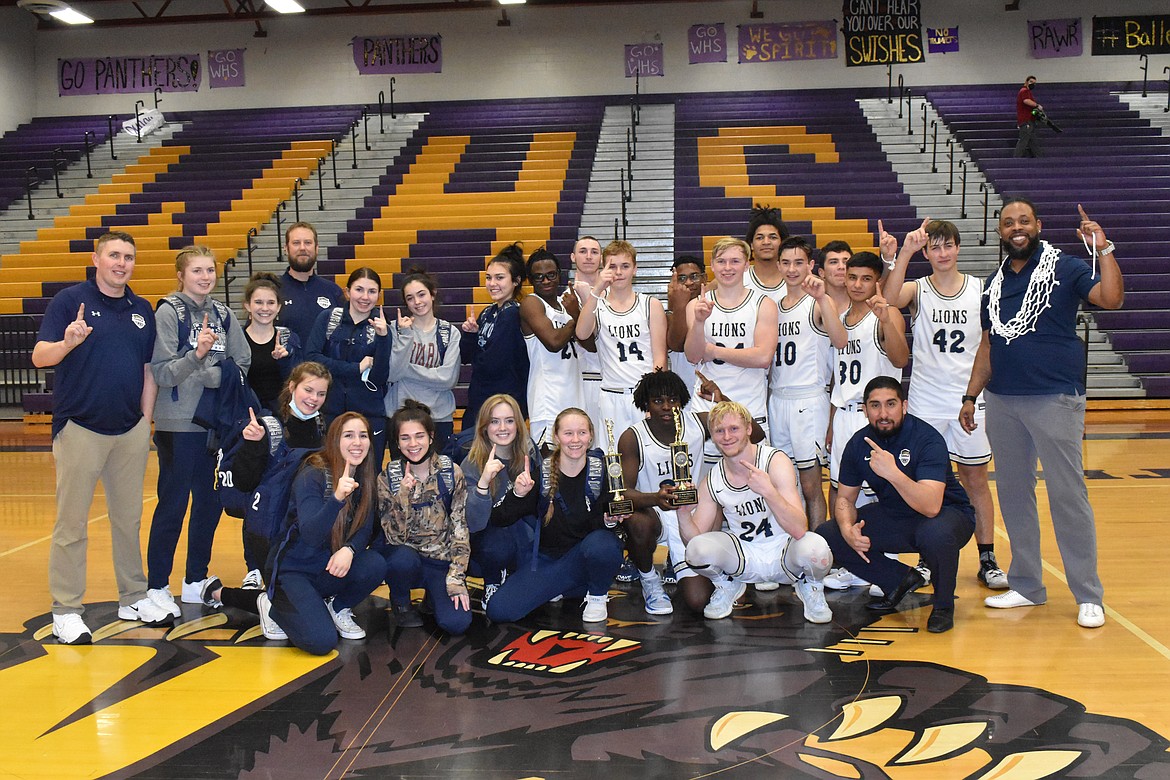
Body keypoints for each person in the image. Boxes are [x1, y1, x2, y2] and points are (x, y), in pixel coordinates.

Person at [962, 199, 1124, 629]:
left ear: (1039, 225)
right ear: (1000, 231)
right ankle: (1028, 585)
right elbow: (988, 345)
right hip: (1002, 400)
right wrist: (970, 395)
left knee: (1068, 496)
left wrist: (1103, 249)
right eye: (1008, 222)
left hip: (1053, 397)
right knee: (1015, 495)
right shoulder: (993, 283)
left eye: (1024, 221)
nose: (1017, 228)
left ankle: (1088, 594)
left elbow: (1111, 298)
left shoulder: (1066, 267)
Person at [33, 231, 172, 643]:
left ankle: (132, 596)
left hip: (128, 431)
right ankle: (66, 609)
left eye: (128, 256)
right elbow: (40, 357)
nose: (121, 263)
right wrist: (66, 342)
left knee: (128, 520)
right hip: (80, 428)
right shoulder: (69, 302)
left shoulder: (142, 309)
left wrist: (143, 423)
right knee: (71, 525)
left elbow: (148, 371)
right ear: (96, 259)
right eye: (114, 255)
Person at [881, 218, 1007, 589]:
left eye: (947, 245)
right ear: (926, 252)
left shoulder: (980, 289)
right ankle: (925, 558)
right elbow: (887, 301)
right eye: (933, 247)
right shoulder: (917, 289)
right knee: (926, 483)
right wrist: (904, 251)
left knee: (975, 479)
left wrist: (976, 391)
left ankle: (987, 558)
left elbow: (988, 344)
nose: (941, 253)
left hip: (968, 398)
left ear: (958, 247)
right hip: (925, 400)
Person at [205, 413, 385, 654]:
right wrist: (337, 499)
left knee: (375, 563)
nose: (357, 442)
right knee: (321, 641)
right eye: (349, 435)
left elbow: (365, 527)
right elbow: (311, 533)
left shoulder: (364, 475)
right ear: (334, 440)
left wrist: (349, 549)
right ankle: (269, 605)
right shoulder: (313, 473)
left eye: (363, 436)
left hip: (326, 569)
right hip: (293, 571)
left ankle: (336, 607)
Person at [819, 377, 976, 634]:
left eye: (890, 404)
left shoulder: (927, 438)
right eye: (875, 405)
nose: (883, 413)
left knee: (934, 533)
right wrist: (847, 528)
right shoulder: (859, 443)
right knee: (828, 534)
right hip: (897, 514)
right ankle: (898, 580)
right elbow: (845, 499)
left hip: (949, 515)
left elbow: (931, 506)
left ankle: (943, 605)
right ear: (864, 409)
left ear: (904, 406)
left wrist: (893, 472)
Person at [147, 245, 250, 617]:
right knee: (173, 505)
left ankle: (194, 580)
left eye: (210, 270)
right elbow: (162, 371)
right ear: (181, 274)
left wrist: (211, 373)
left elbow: (242, 361)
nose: (205, 277)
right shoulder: (168, 312)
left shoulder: (222, 313)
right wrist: (198, 356)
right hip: (179, 424)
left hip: (217, 425)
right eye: (197, 271)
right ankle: (157, 584)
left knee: (209, 504)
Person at [617, 369, 766, 615]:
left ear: (682, 401)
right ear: (646, 403)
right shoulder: (632, 437)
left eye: (673, 400)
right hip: (655, 514)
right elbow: (623, 493)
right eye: (658, 401)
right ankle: (649, 580)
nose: (667, 407)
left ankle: (707, 568)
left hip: (693, 516)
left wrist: (721, 399)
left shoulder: (698, 422)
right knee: (636, 522)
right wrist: (656, 498)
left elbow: (756, 434)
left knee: (698, 601)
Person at [677, 401, 834, 624]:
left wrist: (769, 492)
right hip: (745, 555)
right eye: (719, 431)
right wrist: (682, 514)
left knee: (817, 550)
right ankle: (727, 584)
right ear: (712, 435)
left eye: (734, 429)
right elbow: (694, 542)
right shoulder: (713, 478)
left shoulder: (774, 461)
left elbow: (800, 528)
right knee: (695, 551)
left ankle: (811, 586)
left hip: (784, 552)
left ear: (749, 429)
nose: (727, 436)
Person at [486, 408, 626, 625]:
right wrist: (518, 494)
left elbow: (610, 519)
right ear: (557, 437)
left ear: (590, 437)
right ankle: (568, 587)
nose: (575, 440)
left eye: (582, 433)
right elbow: (499, 518)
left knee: (603, 545)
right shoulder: (541, 474)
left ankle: (597, 596)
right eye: (568, 433)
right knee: (499, 610)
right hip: (550, 561)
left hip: (587, 555)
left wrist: (609, 521)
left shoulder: (604, 471)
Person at [218, 361, 331, 590]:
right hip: (268, 524)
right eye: (308, 390)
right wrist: (252, 445)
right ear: (292, 387)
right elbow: (244, 481)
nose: (313, 398)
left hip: (305, 522)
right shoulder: (269, 425)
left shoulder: (326, 428)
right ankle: (251, 573)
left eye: (321, 393)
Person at [768, 237, 847, 528]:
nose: (792, 269)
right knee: (785, 485)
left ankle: (818, 554)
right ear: (778, 265)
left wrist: (823, 299)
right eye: (786, 262)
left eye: (799, 262)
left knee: (811, 486)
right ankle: (793, 549)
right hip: (778, 399)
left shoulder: (817, 303)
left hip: (808, 399)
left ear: (811, 265)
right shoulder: (773, 306)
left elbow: (840, 340)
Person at [826, 250, 909, 520]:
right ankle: (844, 554)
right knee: (840, 490)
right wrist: (831, 422)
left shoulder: (887, 315)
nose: (857, 284)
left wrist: (886, 321)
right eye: (852, 278)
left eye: (865, 279)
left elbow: (900, 359)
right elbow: (837, 378)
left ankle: (886, 556)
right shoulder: (839, 319)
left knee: (879, 493)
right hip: (844, 415)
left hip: (874, 418)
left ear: (877, 283)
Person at [379, 401, 472, 635]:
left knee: (457, 623)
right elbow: (393, 537)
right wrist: (403, 497)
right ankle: (401, 602)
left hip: (440, 560)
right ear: (397, 443)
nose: (413, 444)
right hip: (406, 556)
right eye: (405, 438)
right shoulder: (387, 477)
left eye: (419, 436)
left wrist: (456, 577)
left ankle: (434, 595)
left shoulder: (451, 472)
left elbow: (460, 527)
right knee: (400, 560)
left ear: (431, 437)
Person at [685, 236, 779, 469]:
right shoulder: (696, 305)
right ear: (712, 265)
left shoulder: (763, 303)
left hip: (749, 408)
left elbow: (762, 357)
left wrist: (714, 350)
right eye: (722, 261)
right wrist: (698, 322)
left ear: (747, 265)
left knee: (753, 488)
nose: (728, 268)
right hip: (706, 410)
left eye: (735, 261)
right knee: (704, 488)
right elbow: (693, 356)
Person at [575, 240, 668, 436]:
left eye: (625, 266)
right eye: (612, 266)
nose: (618, 272)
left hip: (643, 395)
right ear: (603, 269)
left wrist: (655, 399)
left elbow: (660, 358)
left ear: (635, 269)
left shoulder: (650, 305)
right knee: (613, 460)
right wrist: (597, 289)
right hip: (611, 395)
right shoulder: (597, 305)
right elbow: (582, 333)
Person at [460, 394, 540, 611]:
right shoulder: (472, 462)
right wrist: (484, 484)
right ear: (485, 427)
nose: (502, 427)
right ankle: (492, 580)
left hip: (521, 534)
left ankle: (517, 574)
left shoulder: (529, 453)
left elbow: (538, 506)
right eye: (495, 421)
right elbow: (473, 524)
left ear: (519, 425)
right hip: (487, 542)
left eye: (509, 420)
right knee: (497, 543)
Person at [306, 267, 392, 468]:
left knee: (368, 476)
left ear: (379, 295)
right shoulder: (328, 319)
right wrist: (355, 368)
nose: (365, 297)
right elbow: (311, 359)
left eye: (372, 291)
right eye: (359, 290)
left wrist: (383, 339)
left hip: (370, 416)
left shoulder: (383, 327)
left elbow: (379, 377)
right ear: (347, 291)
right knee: (329, 472)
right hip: (330, 413)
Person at [385, 269, 460, 454]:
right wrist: (406, 337)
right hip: (400, 416)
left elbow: (448, 379)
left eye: (421, 294)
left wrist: (406, 369)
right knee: (404, 477)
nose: (417, 302)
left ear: (432, 294)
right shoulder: (395, 330)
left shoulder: (449, 332)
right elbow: (391, 373)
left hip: (438, 417)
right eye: (410, 298)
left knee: (440, 475)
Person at [461, 243, 530, 424]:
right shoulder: (488, 312)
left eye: (500, 278)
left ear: (516, 281)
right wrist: (470, 335)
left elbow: (492, 363)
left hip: (503, 402)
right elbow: (465, 356)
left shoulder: (513, 313)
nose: (492, 284)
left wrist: (478, 354)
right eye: (488, 278)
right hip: (481, 398)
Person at [520, 247, 581, 449]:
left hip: (573, 393)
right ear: (530, 280)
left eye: (550, 275)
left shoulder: (567, 305)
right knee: (550, 469)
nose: (545, 281)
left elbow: (590, 344)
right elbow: (554, 342)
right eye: (539, 277)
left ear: (559, 275)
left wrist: (576, 314)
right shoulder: (531, 303)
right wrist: (575, 319)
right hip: (547, 400)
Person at [276, 222, 343, 345]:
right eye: (296, 243)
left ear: (317, 248)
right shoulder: (273, 290)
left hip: (325, 364)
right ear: (286, 248)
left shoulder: (333, 291)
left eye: (308, 242)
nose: (302, 248)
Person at [242, 272, 301, 411]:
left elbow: (298, 381)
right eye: (258, 302)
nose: (265, 308)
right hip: (245, 415)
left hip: (282, 415)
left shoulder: (289, 338)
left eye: (271, 303)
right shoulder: (237, 338)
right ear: (247, 306)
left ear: (278, 307)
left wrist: (284, 360)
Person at [568, 236, 605, 437]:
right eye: (583, 251)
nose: (589, 257)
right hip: (577, 381)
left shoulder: (615, 296)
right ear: (573, 257)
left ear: (601, 259)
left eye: (594, 252)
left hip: (611, 380)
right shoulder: (563, 299)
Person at [665, 254, 705, 406]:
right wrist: (678, 305)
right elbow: (677, 345)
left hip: (711, 388)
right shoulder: (669, 315)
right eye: (682, 278)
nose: (688, 282)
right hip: (683, 393)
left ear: (704, 278)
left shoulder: (715, 305)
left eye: (694, 276)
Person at [742, 205, 790, 299]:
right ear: (751, 244)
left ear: (782, 242)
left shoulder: (798, 279)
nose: (766, 242)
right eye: (760, 238)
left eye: (773, 237)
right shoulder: (738, 277)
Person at [1013, 75, 1042, 159]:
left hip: (1030, 120)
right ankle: (1016, 159)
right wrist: (1037, 105)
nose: (1033, 84)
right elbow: (1026, 101)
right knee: (1024, 141)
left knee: (1033, 141)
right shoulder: (1024, 91)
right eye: (1031, 82)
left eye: (1034, 83)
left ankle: (1039, 157)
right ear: (1026, 82)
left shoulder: (1028, 92)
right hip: (1026, 120)